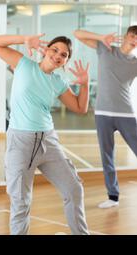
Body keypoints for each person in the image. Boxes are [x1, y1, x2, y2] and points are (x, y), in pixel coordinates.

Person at [0, 33, 90, 234]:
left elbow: (80, 108)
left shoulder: (58, 82)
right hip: (21, 142)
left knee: (74, 189)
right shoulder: (24, 65)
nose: (58, 55)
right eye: (55, 50)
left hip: (48, 142)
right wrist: (23, 39)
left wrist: (85, 84)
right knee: (20, 202)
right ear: (45, 50)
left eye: (64, 55)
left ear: (65, 62)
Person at [74, 26, 137, 209]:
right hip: (102, 113)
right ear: (125, 36)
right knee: (107, 156)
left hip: (125, 113)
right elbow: (77, 34)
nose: (135, 40)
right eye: (133, 35)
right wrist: (101, 36)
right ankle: (113, 196)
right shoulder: (105, 48)